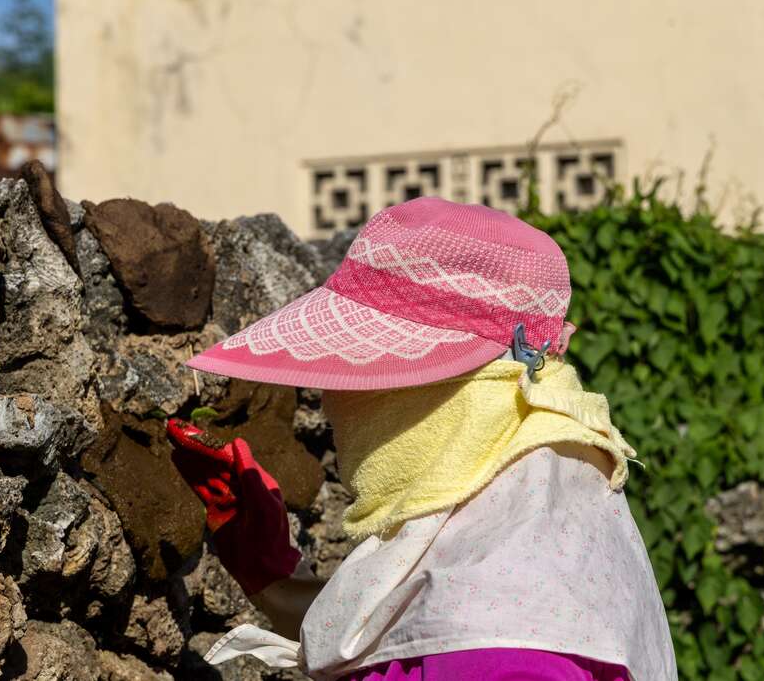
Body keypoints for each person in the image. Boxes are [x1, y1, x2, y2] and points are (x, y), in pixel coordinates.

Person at [167, 197, 678, 680]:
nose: (329, 400)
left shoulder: (505, 657)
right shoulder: (542, 523)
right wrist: (270, 569)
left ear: (443, 394)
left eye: (358, 376)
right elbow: (417, 632)